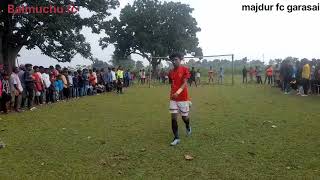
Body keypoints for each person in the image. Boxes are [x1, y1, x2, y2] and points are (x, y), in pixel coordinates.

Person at [168, 52, 192, 146]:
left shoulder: (185, 69)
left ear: (180, 59)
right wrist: (173, 93)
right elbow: (172, 83)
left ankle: (188, 126)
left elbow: (185, 83)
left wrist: (177, 92)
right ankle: (176, 138)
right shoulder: (171, 72)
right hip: (173, 98)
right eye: (172, 60)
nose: (174, 62)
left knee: (184, 117)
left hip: (182, 98)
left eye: (176, 60)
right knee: (173, 117)